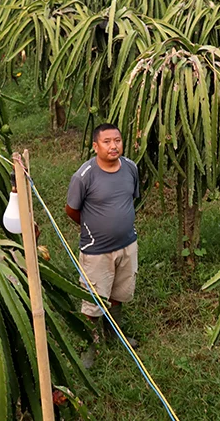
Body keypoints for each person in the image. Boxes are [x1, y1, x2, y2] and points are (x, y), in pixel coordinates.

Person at [66, 123, 140, 368]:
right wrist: (95, 227)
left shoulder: (130, 168)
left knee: (120, 292)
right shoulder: (84, 176)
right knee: (93, 300)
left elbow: (131, 200)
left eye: (117, 140)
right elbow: (71, 210)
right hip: (96, 250)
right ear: (95, 146)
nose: (113, 146)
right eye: (106, 142)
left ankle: (114, 334)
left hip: (127, 244)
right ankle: (90, 344)